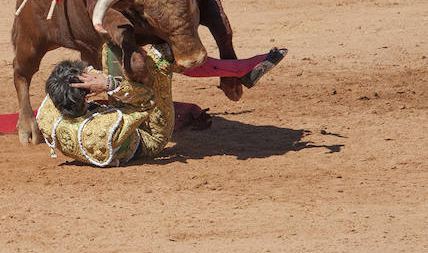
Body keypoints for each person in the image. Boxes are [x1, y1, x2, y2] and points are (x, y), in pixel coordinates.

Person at [37, 43, 286, 166]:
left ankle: (235, 71)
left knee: (110, 47)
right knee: (161, 59)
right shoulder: (103, 129)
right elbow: (146, 101)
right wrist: (109, 84)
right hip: (148, 132)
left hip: (113, 116)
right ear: (87, 97)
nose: (90, 71)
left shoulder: (50, 114)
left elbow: (56, 88)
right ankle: (238, 71)